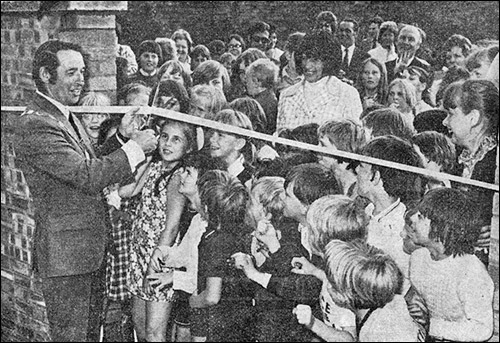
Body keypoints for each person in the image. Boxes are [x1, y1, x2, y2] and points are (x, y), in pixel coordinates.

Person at [13, 40, 158, 342]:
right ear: (45, 75)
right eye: (70, 73)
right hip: (68, 260)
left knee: (90, 336)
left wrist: (121, 136)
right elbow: (85, 175)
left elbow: (89, 162)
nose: (80, 80)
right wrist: (135, 148)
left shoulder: (63, 115)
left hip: (85, 254)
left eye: (82, 71)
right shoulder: (37, 124)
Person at [123, 119, 197, 341]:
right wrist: (144, 158)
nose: (168, 144)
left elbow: (172, 226)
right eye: (164, 136)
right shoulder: (155, 166)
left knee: (155, 332)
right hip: (139, 254)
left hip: (159, 257)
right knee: (141, 328)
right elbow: (127, 190)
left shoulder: (177, 176)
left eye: (176, 139)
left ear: (188, 147)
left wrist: (152, 266)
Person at [145, 151, 217, 343]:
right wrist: (162, 253)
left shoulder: (211, 226)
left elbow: (205, 279)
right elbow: (182, 255)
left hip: (211, 313)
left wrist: (173, 277)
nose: (181, 176)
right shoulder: (197, 220)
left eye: (188, 173)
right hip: (197, 306)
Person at [408, 188, 494, 341]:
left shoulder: (471, 272)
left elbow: (483, 329)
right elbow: (420, 296)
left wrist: (433, 327)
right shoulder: (418, 257)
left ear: (441, 229)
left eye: (420, 217)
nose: (412, 219)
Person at [290, 194, 369, 341]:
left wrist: (313, 323)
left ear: (321, 238)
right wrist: (314, 271)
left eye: (310, 229)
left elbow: (349, 339)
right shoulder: (339, 267)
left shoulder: (343, 283)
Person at [354, 135, 424, 291]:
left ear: (376, 176)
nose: (357, 170)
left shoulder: (401, 229)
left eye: (362, 166)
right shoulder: (369, 210)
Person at [316, 239, 422, 341]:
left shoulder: (371, 333)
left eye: (332, 284)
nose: (327, 286)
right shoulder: (394, 301)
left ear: (348, 295)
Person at [442, 79, 498, 266]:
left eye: (450, 114)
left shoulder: (495, 163)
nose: (444, 121)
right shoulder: (458, 159)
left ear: (473, 117)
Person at [277, 30, 362, 131]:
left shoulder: (347, 94)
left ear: (328, 61)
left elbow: (355, 140)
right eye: (304, 58)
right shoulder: (287, 95)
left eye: (315, 60)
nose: (307, 65)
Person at [317, 119, 368, 196]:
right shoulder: (338, 182)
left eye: (323, 145)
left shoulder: (356, 191)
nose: (317, 149)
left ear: (342, 149)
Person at [206, 109, 256, 185]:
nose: (211, 139)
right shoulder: (208, 167)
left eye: (220, 135)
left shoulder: (250, 179)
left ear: (239, 144)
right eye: (212, 133)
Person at [245, 58, 279, 135]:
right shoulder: (272, 98)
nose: (246, 84)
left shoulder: (256, 105)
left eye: (247, 80)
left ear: (256, 82)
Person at [337, 18, 370, 83]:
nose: (343, 34)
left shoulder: (364, 57)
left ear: (355, 33)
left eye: (347, 31)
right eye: (341, 30)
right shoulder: (331, 53)